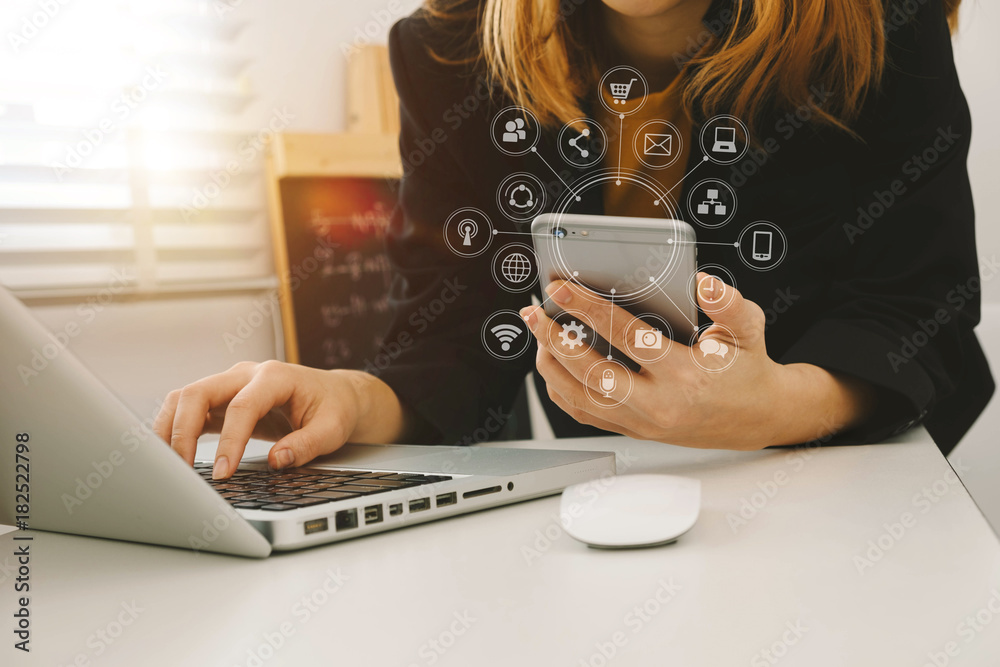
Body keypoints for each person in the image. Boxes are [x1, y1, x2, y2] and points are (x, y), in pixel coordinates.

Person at [154, 0, 993, 481]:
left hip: (834, 488)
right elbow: (456, 337)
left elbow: (924, 314)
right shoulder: (450, 48)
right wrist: (353, 396)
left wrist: (772, 407)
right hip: (607, 506)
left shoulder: (875, 22)